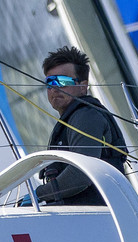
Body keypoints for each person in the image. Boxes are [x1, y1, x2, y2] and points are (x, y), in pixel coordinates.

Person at [34, 45, 127, 206]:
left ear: (83, 86)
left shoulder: (86, 116)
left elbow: (81, 174)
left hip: (102, 216)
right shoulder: (71, 119)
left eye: (62, 81)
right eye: (50, 82)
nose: (55, 88)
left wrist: (38, 195)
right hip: (82, 216)